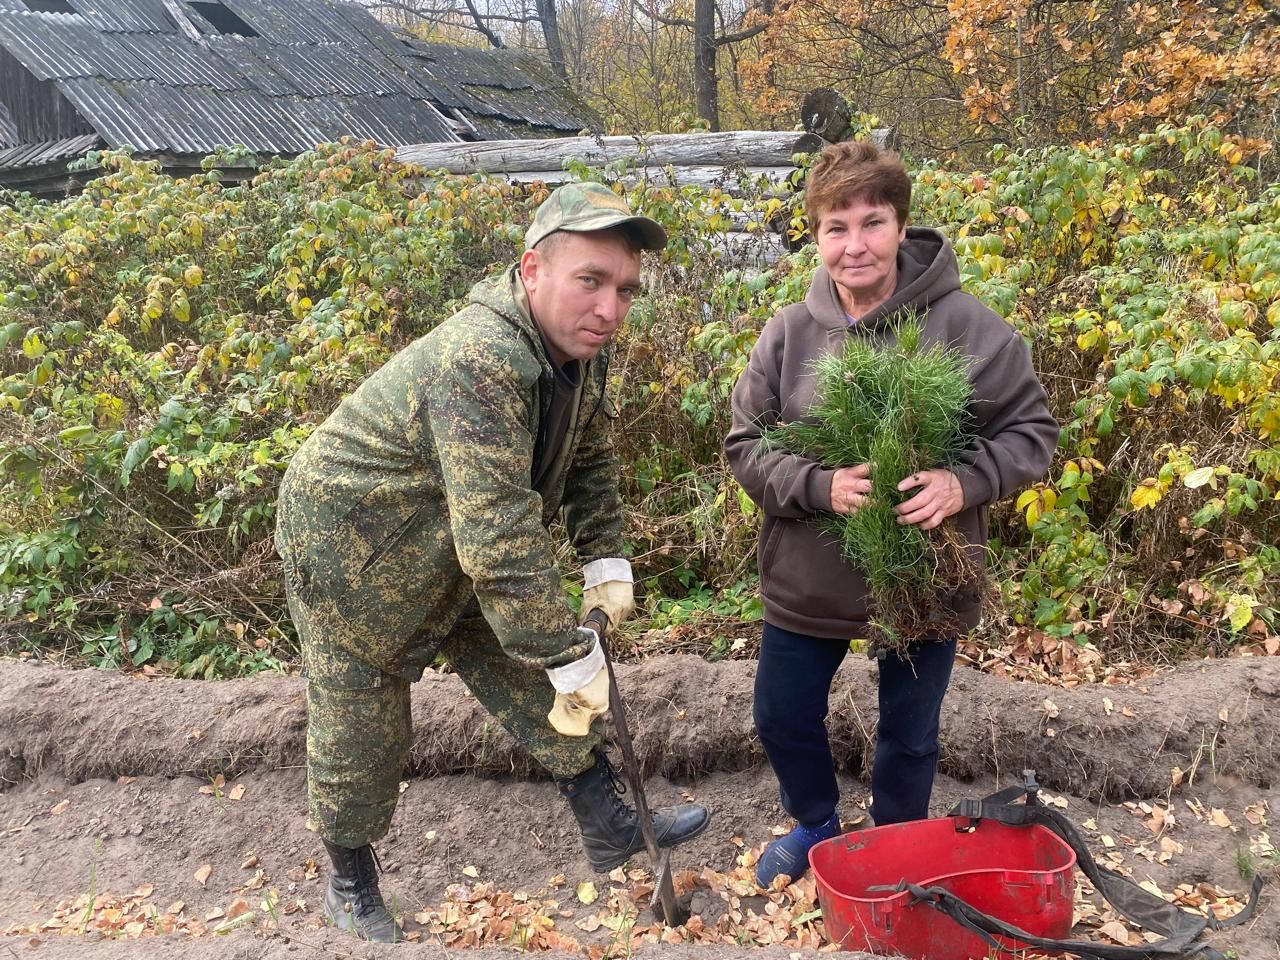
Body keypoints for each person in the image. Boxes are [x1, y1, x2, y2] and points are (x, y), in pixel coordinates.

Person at [275, 182, 711, 942]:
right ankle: (348, 881)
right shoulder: (481, 361)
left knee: (529, 669)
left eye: (625, 289)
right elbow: (501, 541)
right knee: (363, 716)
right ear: (531, 270)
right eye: (591, 281)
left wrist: (605, 555)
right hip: (353, 550)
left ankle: (607, 822)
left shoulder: (576, 350)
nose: (610, 309)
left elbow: (588, 458)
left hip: (450, 531)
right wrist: (567, 651)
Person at [725, 141, 1059, 887]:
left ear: (902, 226)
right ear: (815, 235)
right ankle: (813, 823)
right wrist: (818, 485)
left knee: (909, 735)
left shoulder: (969, 326)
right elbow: (744, 444)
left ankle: (896, 840)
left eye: (871, 223)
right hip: (808, 578)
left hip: (924, 577)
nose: (854, 246)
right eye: (835, 227)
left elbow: (1032, 433)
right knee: (782, 715)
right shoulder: (788, 333)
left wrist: (962, 482)